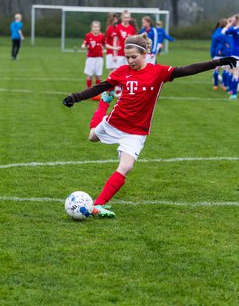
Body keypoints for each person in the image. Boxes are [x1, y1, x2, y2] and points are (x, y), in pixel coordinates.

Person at [63, 33, 237, 218]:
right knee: (92, 137)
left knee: (126, 167)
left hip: (137, 131)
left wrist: (216, 62)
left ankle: (97, 205)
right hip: (115, 122)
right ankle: (104, 105)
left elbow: (186, 70)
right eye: (127, 57)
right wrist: (75, 97)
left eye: (134, 57)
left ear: (144, 54)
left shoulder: (158, 72)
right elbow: (99, 87)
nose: (130, 61)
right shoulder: (121, 72)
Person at [210, 18, 233, 90]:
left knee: (216, 69)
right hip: (226, 53)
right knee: (225, 69)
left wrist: (213, 54)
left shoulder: (217, 32)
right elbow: (228, 43)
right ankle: (224, 85)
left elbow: (214, 44)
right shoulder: (228, 32)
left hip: (217, 53)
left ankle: (216, 85)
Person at [222, 15, 239, 99]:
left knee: (235, 73)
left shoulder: (234, 29)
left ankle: (233, 93)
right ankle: (233, 90)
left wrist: (229, 23)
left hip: (236, 54)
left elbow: (223, 32)